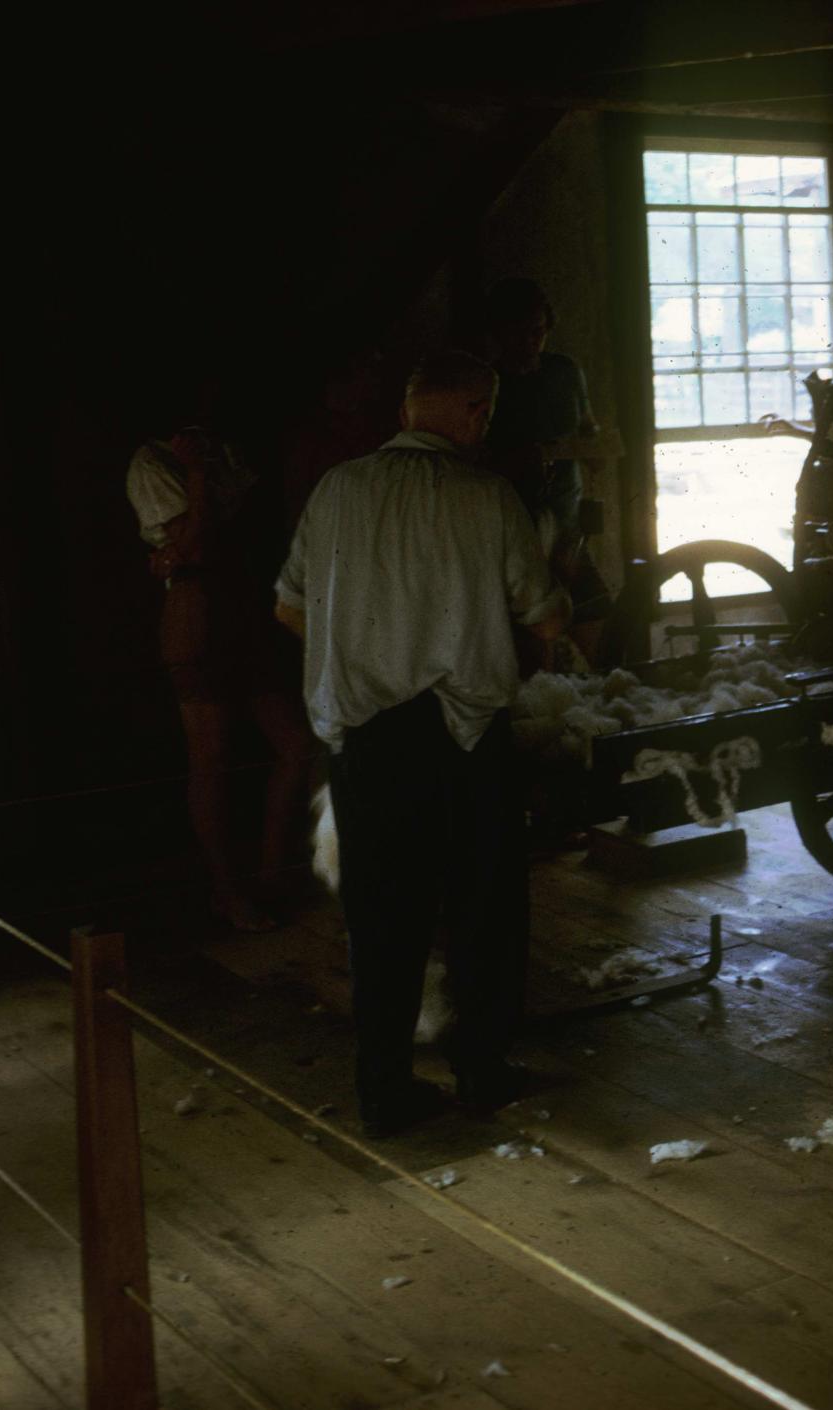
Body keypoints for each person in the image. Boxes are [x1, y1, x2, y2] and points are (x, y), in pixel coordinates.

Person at [275, 350, 570, 1135]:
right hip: (464, 734)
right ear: (475, 412)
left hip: (368, 737)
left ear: (408, 412)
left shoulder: (336, 490)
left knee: (380, 921)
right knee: (484, 909)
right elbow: (544, 618)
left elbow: (289, 608)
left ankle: (384, 1088)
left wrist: (363, 645)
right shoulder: (486, 496)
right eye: (487, 412)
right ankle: (480, 1069)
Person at [126, 385, 314, 932]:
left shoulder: (219, 447)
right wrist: (198, 480)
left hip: (244, 602)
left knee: (296, 744)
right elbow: (193, 546)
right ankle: (227, 892)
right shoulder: (152, 461)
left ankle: (272, 870)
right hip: (197, 607)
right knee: (211, 757)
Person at [482, 278, 616, 660]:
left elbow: (587, 428)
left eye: (538, 332)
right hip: (514, 537)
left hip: (567, 528)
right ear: (499, 333)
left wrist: (596, 445)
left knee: (599, 631)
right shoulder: (489, 384)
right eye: (519, 333)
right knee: (533, 646)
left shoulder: (565, 372)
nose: (530, 342)